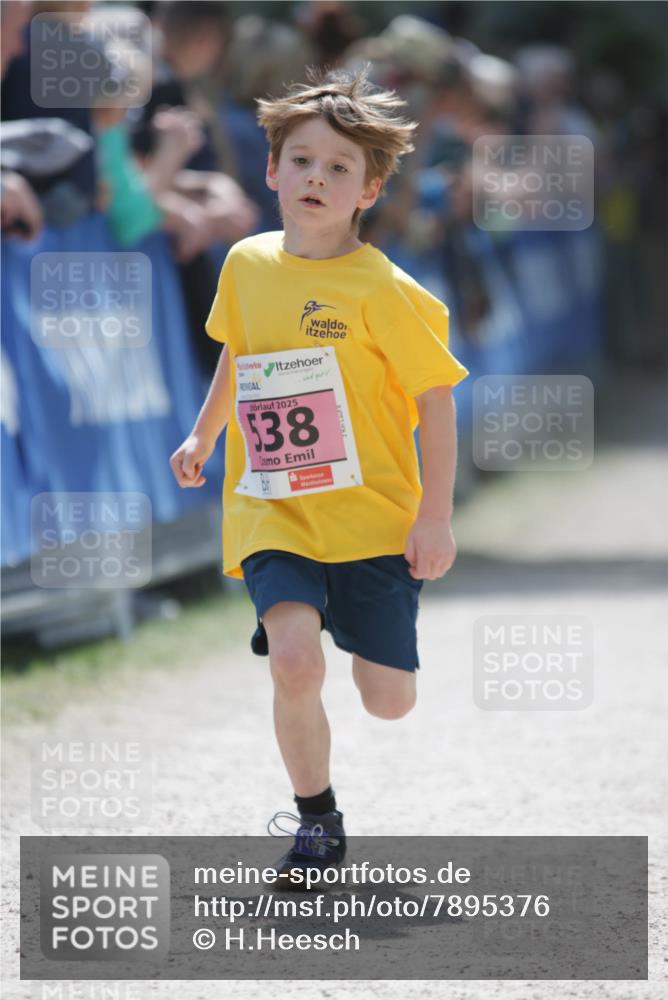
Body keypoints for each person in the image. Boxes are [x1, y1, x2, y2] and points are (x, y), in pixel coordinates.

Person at [169, 67, 469, 887]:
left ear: (369, 189)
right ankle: (317, 825)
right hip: (276, 510)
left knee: (388, 700)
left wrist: (433, 518)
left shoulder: (385, 290)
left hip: (373, 520)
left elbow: (435, 403)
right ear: (271, 171)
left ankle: (372, 629)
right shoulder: (246, 263)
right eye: (301, 161)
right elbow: (241, 350)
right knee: (295, 661)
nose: (316, 179)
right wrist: (203, 434)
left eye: (340, 169)